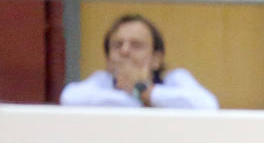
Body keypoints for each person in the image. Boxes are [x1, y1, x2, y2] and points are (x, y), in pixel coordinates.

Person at [59, 13, 218, 110]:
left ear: (156, 59)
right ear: (108, 59)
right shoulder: (101, 81)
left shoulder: (175, 79)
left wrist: (145, 91)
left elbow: (207, 105)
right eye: (117, 45)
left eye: (136, 45)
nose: (124, 51)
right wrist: (140, 97)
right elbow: (70, 98)